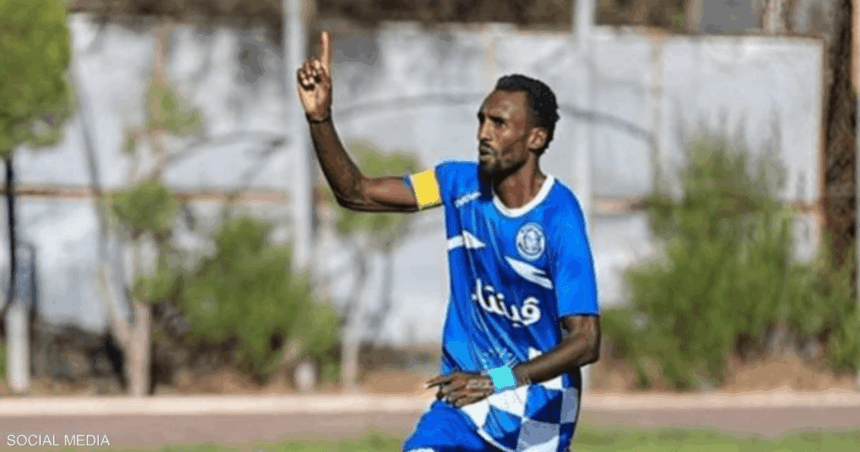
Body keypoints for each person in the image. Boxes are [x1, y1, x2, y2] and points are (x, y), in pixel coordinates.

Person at [297, 31, 601, 452]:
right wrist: (320, 119)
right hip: (462, 402)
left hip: (539, 411)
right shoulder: (457, 183)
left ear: (536, 138)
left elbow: (585, 341)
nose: (484, 133)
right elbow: (357, 193)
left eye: (499, 123)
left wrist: (495, 380)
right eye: (481, 120)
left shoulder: (559, 216)